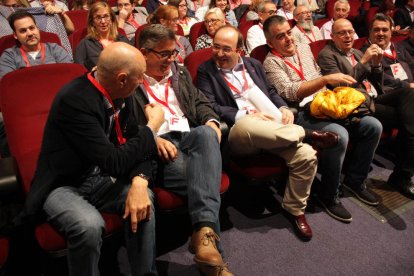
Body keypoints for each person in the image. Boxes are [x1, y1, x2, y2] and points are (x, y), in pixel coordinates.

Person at [14, 42, 165, 276]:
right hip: (64, 184)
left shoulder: (118, 93)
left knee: (144, 200)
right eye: (139, 78)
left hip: (101, 178)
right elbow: (115, 161)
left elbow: (136, 144)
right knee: (89, 226)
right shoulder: (75, 100)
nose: (141, 83)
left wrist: (139, 181)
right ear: (122, 78)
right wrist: (153, 126)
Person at [197, 25, 340, 241]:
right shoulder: (205, 70)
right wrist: (245, 113)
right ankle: (307, 134)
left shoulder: (254, 65)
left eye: (226, 49)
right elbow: (210, 105)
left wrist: (282, 108)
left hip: (274, 130)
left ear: (240, 51)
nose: (219, 53)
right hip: (241, 134)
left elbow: (271, 92)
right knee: (248, 124)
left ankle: (295, 209)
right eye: (216, 47)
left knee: (307, 156)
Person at [134, 24, 233, 276]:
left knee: (205, 132)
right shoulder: (130, 80)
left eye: (173, 52)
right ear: (144, 53)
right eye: (163, 54)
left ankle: (204, 237)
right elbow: (122, 125)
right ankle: (212, 255)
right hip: (160, 147)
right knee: (206, 179)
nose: (171, 59)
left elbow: (199, 101)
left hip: (190, 138)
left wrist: (211, 120)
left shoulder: (179, 72)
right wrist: (151, 137)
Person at [263, 16, 382, 223]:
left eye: (289, 33)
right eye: (280, 37)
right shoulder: (270, 62)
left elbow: (318, 75)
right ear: (270, 42)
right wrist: (325, 80)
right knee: (339, 135)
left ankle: (355, 180)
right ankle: (329, 195)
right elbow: (291, 92)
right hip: (302, 112)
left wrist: (328, 87)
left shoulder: (304, 47)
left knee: (373, 125)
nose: (288, 39)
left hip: (328, 103)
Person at [320, 18, 414, 199]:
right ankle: (404, 173)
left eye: (350, 32)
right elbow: (341, 87)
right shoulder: (328, 55)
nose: (347, 36)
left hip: (373, 99)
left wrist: (377, 66)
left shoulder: (354, 51)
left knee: (409, 100)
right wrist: (363, 61)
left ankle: (404, 171)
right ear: (332, 37)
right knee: (408, 112)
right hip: (353, 104)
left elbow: (377, 86)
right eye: (341, 33)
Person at [0, 10, 72, 78]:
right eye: (23, 31)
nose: (30, 33)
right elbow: (8, 85)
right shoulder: (9, 56)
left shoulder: (55, 49)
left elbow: (70, 75)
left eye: (32, 28)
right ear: (15, 35)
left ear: (37, 29)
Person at [74, 2, 130, 70]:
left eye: (106, 16)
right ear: (92, 22)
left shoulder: (122, 40)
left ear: (111, 19)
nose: (103, 21)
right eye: (98, 17)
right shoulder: (85, 44)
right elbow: (78, 71)